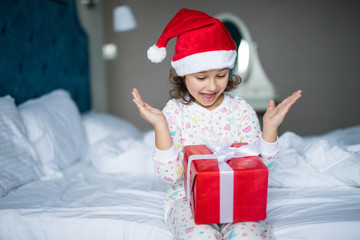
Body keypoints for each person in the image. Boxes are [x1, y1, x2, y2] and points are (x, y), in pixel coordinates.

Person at [132, 8, 301, 240]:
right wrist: (161, 125)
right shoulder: (175, 111)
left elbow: (260, 168)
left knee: (247, 235)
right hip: (186, 197)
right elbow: (171, 176)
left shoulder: (241, 109)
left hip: (238, 194)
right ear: (184, 75)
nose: (212, 86)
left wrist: (269, 130)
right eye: (201, 78)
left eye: (221, 75)